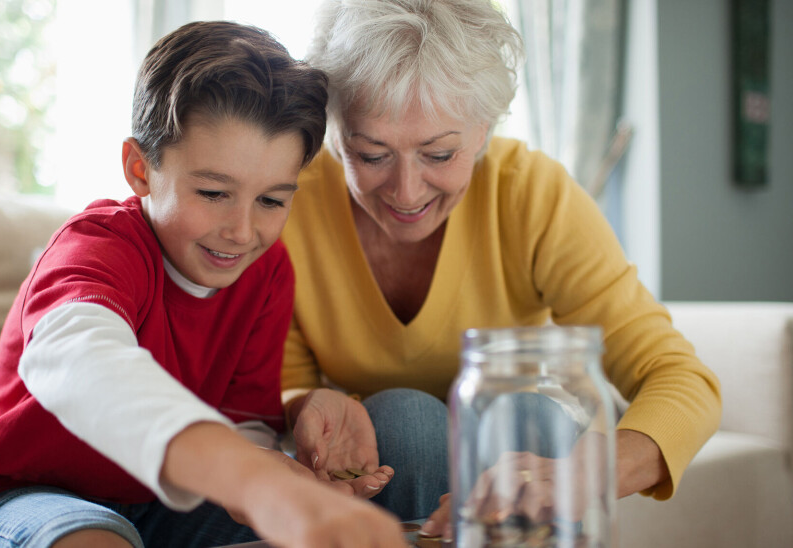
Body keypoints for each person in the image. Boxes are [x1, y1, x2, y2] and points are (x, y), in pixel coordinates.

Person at [0, 20, 408, 548]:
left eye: (271, 200)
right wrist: (247, 477)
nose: (242, 231)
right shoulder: (97, 248)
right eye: (214, 192)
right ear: (140, 168)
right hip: (27, 496)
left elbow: (242, 422)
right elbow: (83, 362)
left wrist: (276, 471)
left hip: (158, 502)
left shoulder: (266, 272)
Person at [279, 0, 722, 539]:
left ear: (483, 129)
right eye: (371, 155)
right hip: (387, 450)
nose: (406, 192)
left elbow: (679, 378)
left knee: (526, 414)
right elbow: (287, 382)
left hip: (520, 434)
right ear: (333, 131)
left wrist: (585, 474)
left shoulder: (532, 194)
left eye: (439, 154)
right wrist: (307, 403)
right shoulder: (291, 200)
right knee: (405, 421)